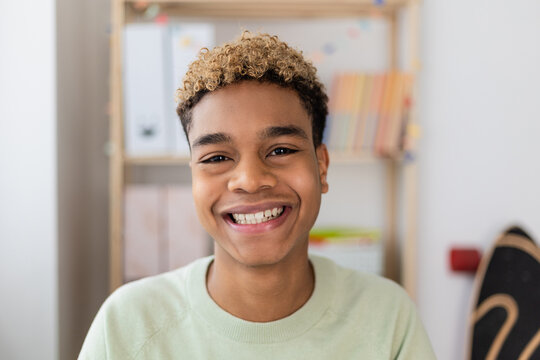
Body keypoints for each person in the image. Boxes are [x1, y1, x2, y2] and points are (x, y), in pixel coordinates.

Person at [79, 31, 436, 359]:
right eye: (217, 157)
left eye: (280, 150)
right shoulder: (127, 325)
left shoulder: (387, 318)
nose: (249, 180)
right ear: (194, 177)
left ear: (322, 166)